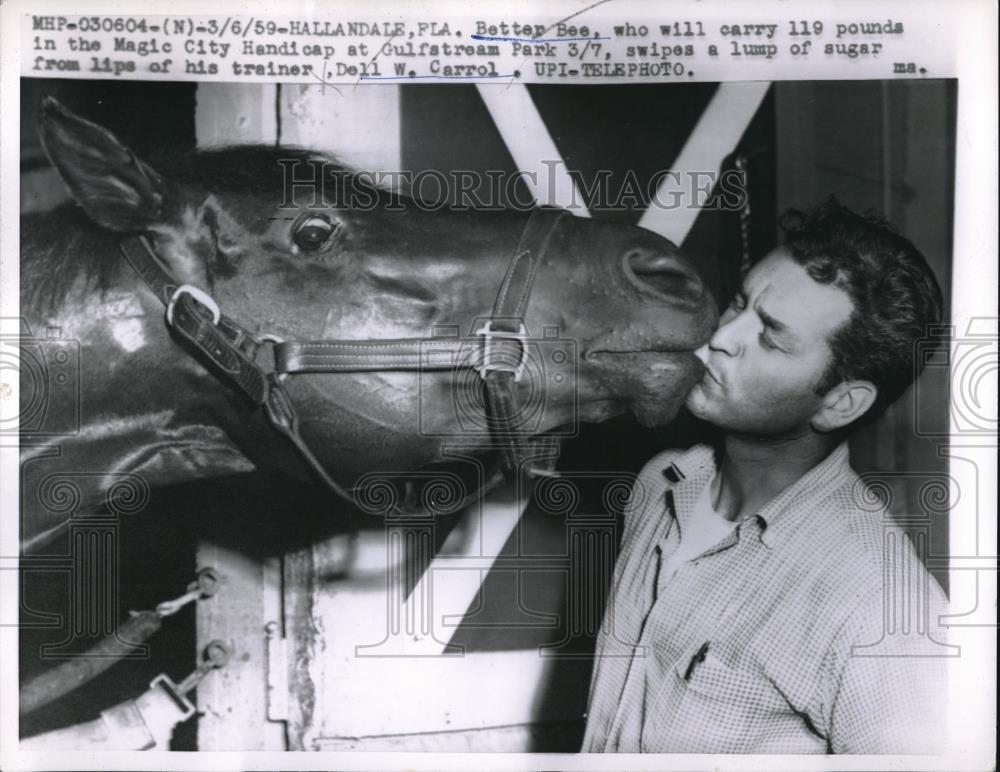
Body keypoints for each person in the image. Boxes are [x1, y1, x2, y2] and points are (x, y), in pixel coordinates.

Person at [582, 198, 951, 754]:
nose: (724, 335)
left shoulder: (886, 613)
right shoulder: (660, 485)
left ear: (840, 403)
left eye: (771, 337)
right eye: (739, 302)